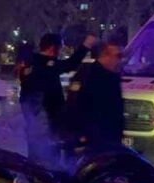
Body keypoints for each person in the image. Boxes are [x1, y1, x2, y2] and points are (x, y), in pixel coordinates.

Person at [19, 32, 97, 167]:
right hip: (44, 118)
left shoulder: (31, 63)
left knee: (35, 151)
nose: (60, 51)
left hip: (34, 117)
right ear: (52, 48)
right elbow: (71, 64)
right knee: (47, 154)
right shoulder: (46, 65)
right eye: (59, 47)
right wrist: (87, 44)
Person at [66, 42, 125, 153]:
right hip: (91, 139)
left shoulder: (113, 76)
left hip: (110, 138)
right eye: (118, 56)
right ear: (105, 55)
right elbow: (73, 106)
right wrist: (80, 135)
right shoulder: (87, 74)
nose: (120, 60)